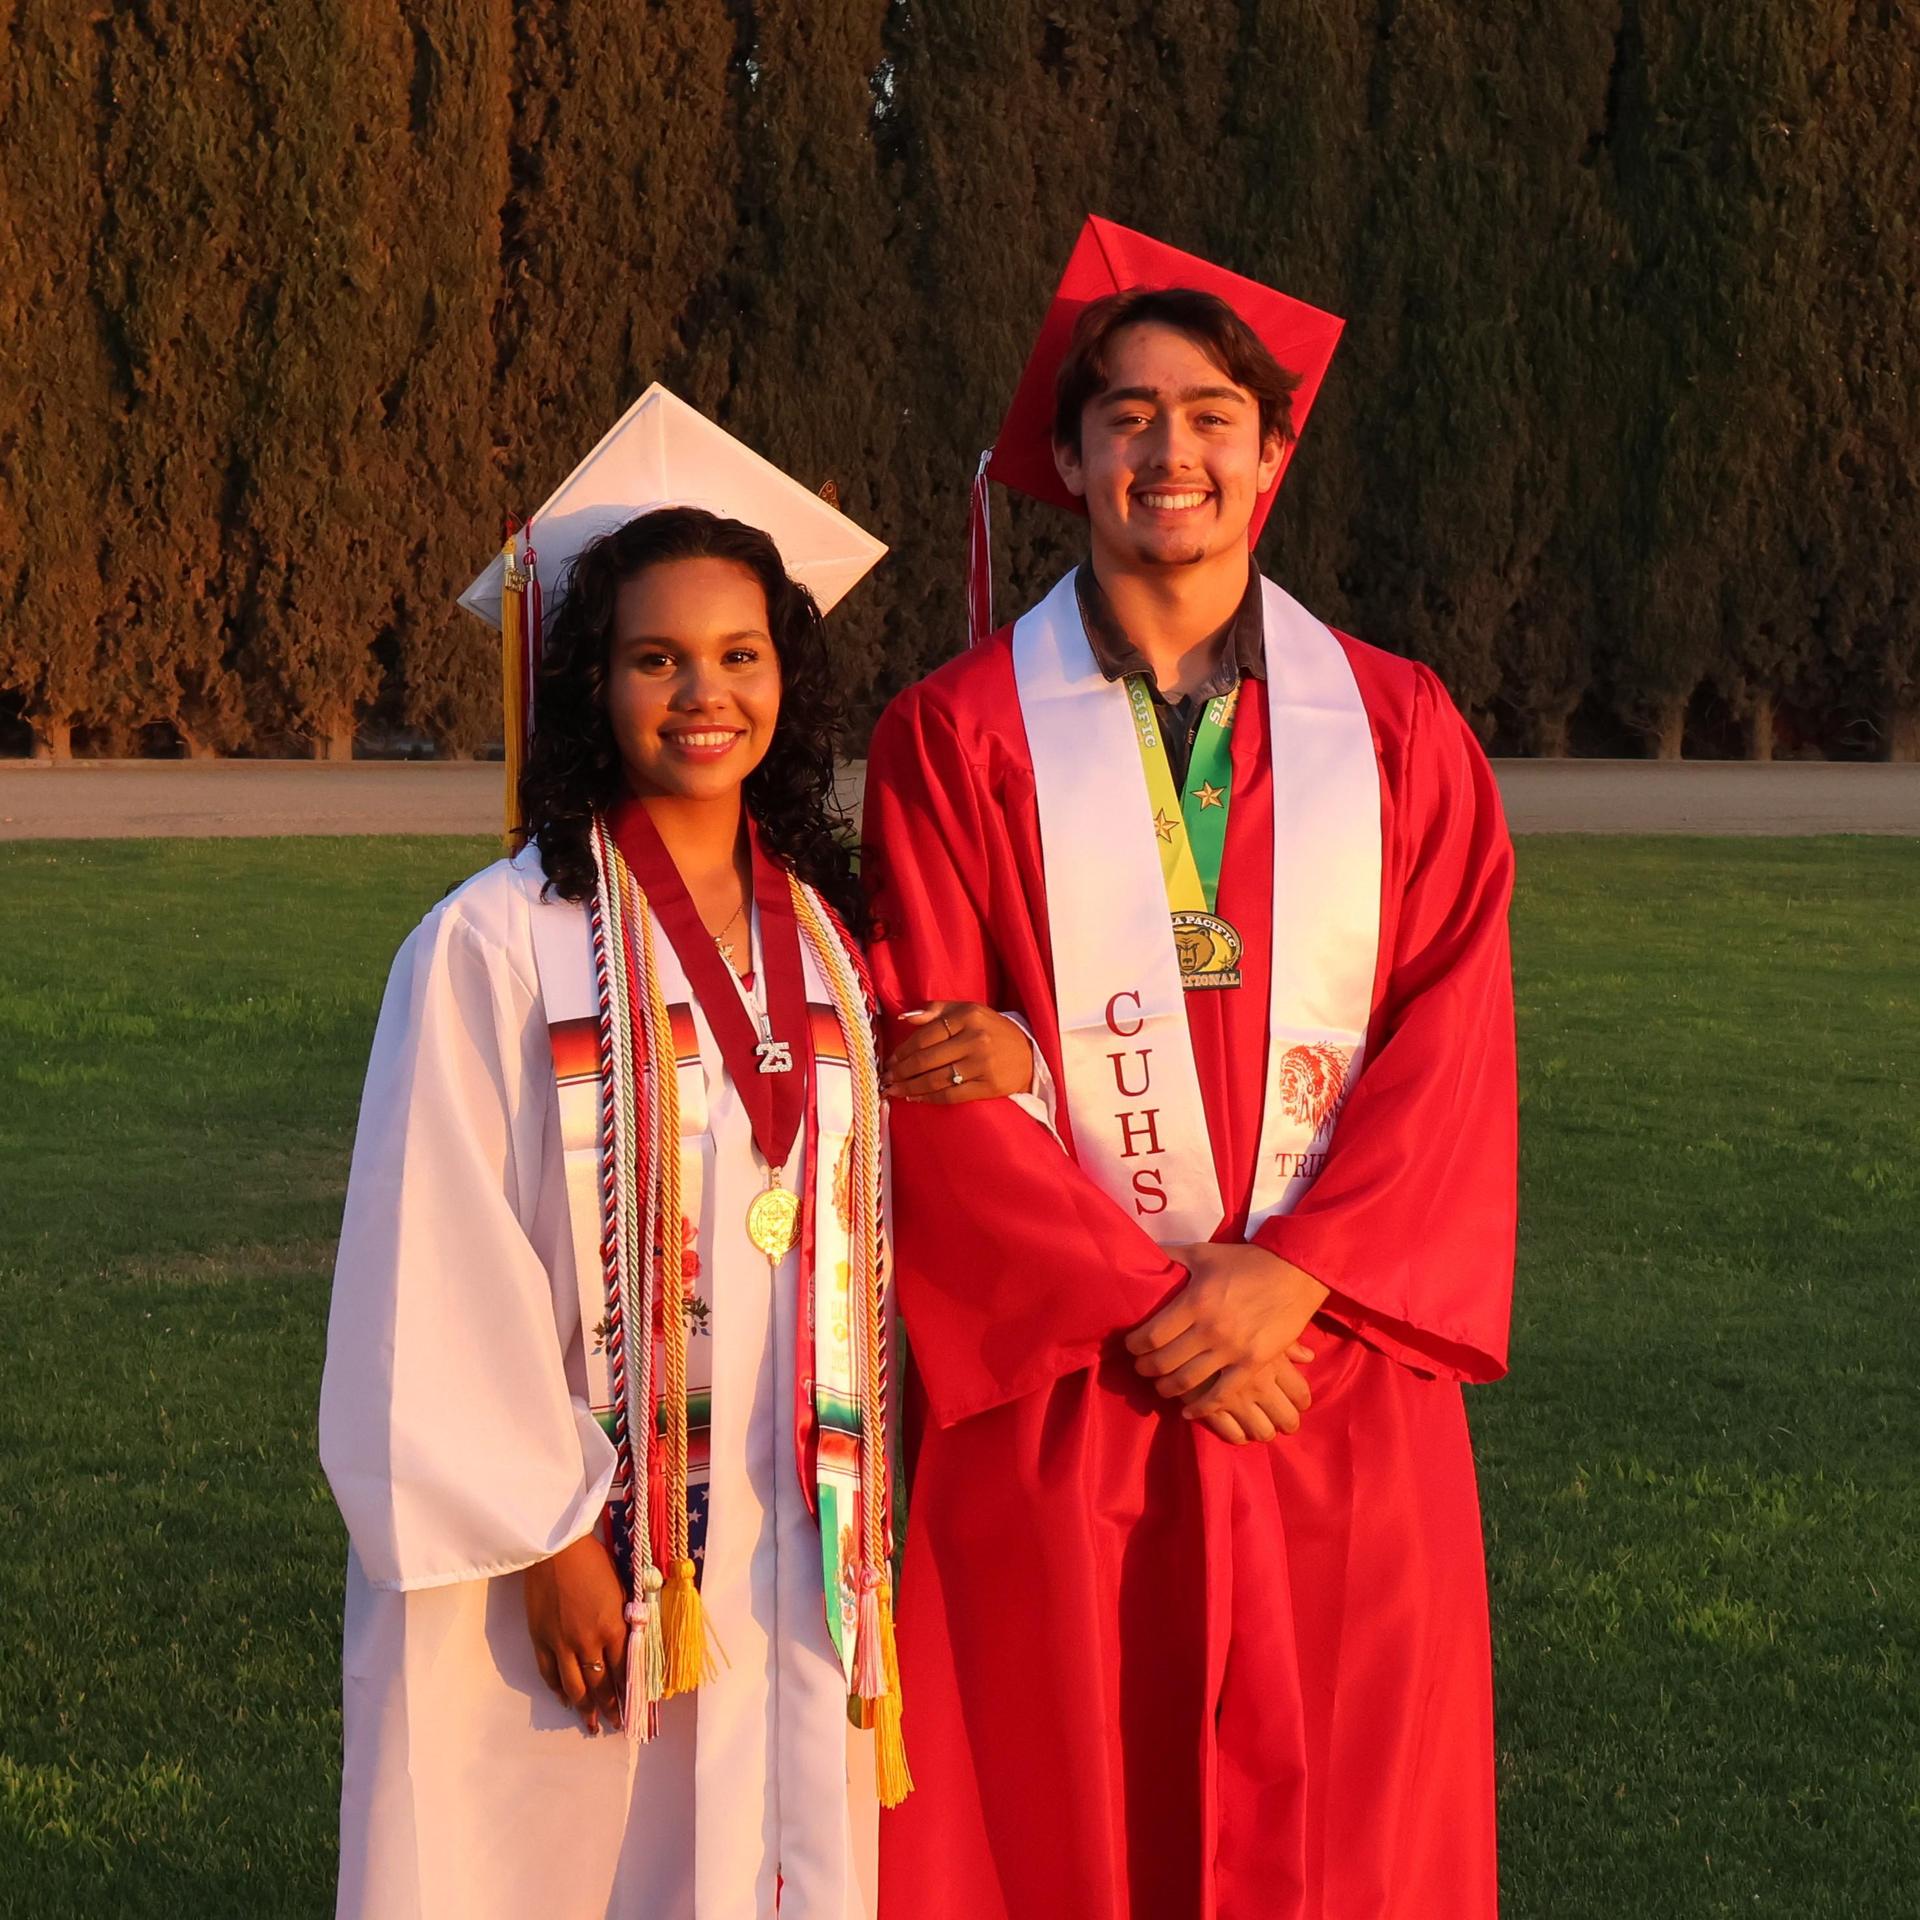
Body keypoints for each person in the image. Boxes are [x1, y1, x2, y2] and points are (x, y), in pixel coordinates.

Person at [863, 217, 1519, 1918]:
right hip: (1086, 1389)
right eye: (1131, 415)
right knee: (1071, 1813)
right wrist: (1154, 1309)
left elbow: (1452, 1040)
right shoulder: (955, 738)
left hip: (1333, 1379)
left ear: (1274, 453)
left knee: (1355, 1828)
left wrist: (1299, 1277)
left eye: (1214, 415)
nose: (1173, 451)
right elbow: (926, 1070)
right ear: (1071, 458)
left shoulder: (1399, 727)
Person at [320, 387, 921, 1919]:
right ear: (592, 680)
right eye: (657, 657)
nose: (702, 692)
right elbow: (431, 1258)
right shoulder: (497, 942)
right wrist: (549, 1536)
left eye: (740, 655)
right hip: (588, 1550)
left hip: (791, 1526)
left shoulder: (830, 939)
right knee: (558, 1866)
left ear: (788, 674)